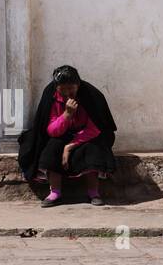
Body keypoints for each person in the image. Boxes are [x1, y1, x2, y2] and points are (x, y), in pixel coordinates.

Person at [18, 65, 117, 207]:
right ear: (56, 87)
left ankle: (93, 193)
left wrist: (70, 146)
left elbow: (95, 128)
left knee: (93, 149)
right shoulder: (50, 96)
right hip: (61, 133)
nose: (67, 93)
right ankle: (55, 193)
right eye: (62, 89)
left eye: (71, 88)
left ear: (78, 85)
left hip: (86, 135)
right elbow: (51, 130)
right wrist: (67, 115)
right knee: (52, 147)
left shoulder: (90, 95)